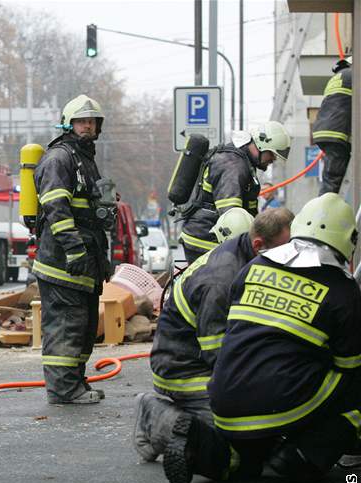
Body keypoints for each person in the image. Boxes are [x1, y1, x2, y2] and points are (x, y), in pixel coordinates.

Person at [163, 193, 361, 483]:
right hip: (284, 406)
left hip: (225, 402)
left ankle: (211, 450)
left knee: (250, 444)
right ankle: (302, 454)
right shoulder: (343, 292)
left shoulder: (252, 268)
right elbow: (348, 367)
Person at [133, 207, 293, 462]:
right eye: (284, 250)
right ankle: (156, 416)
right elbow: (218, 352)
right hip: (183, 367)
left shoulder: (247, 258)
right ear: (258, 244)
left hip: (201, 360)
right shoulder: (221, 281)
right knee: (238, 431)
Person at [32, 94, 111, 405]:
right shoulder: (59, 159)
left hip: (82, 264)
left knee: (83, 326)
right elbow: (57, 208)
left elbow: (91, 216)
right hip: (62, 263)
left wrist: (100, 258)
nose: (87, 126)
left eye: (92, 121)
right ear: (68, 124)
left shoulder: (85, 160)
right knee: (66, 326)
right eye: (81, 121)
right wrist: (75, 249)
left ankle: (75, 382)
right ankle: (63, 390)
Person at [179, 121, 291, 264]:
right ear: (261, 145)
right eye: (272, 153)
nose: (273, 159)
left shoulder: (243, 162)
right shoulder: (232, 165)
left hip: (207, 236)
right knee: (223, 283)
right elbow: (232, 216)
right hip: (206, 240)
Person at [313, 57, 353, 195]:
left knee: (330, 175)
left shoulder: (337, 77)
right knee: (333, 179)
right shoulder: (354, 75)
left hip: (323, 131)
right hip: (337, 132)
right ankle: (325, 209)